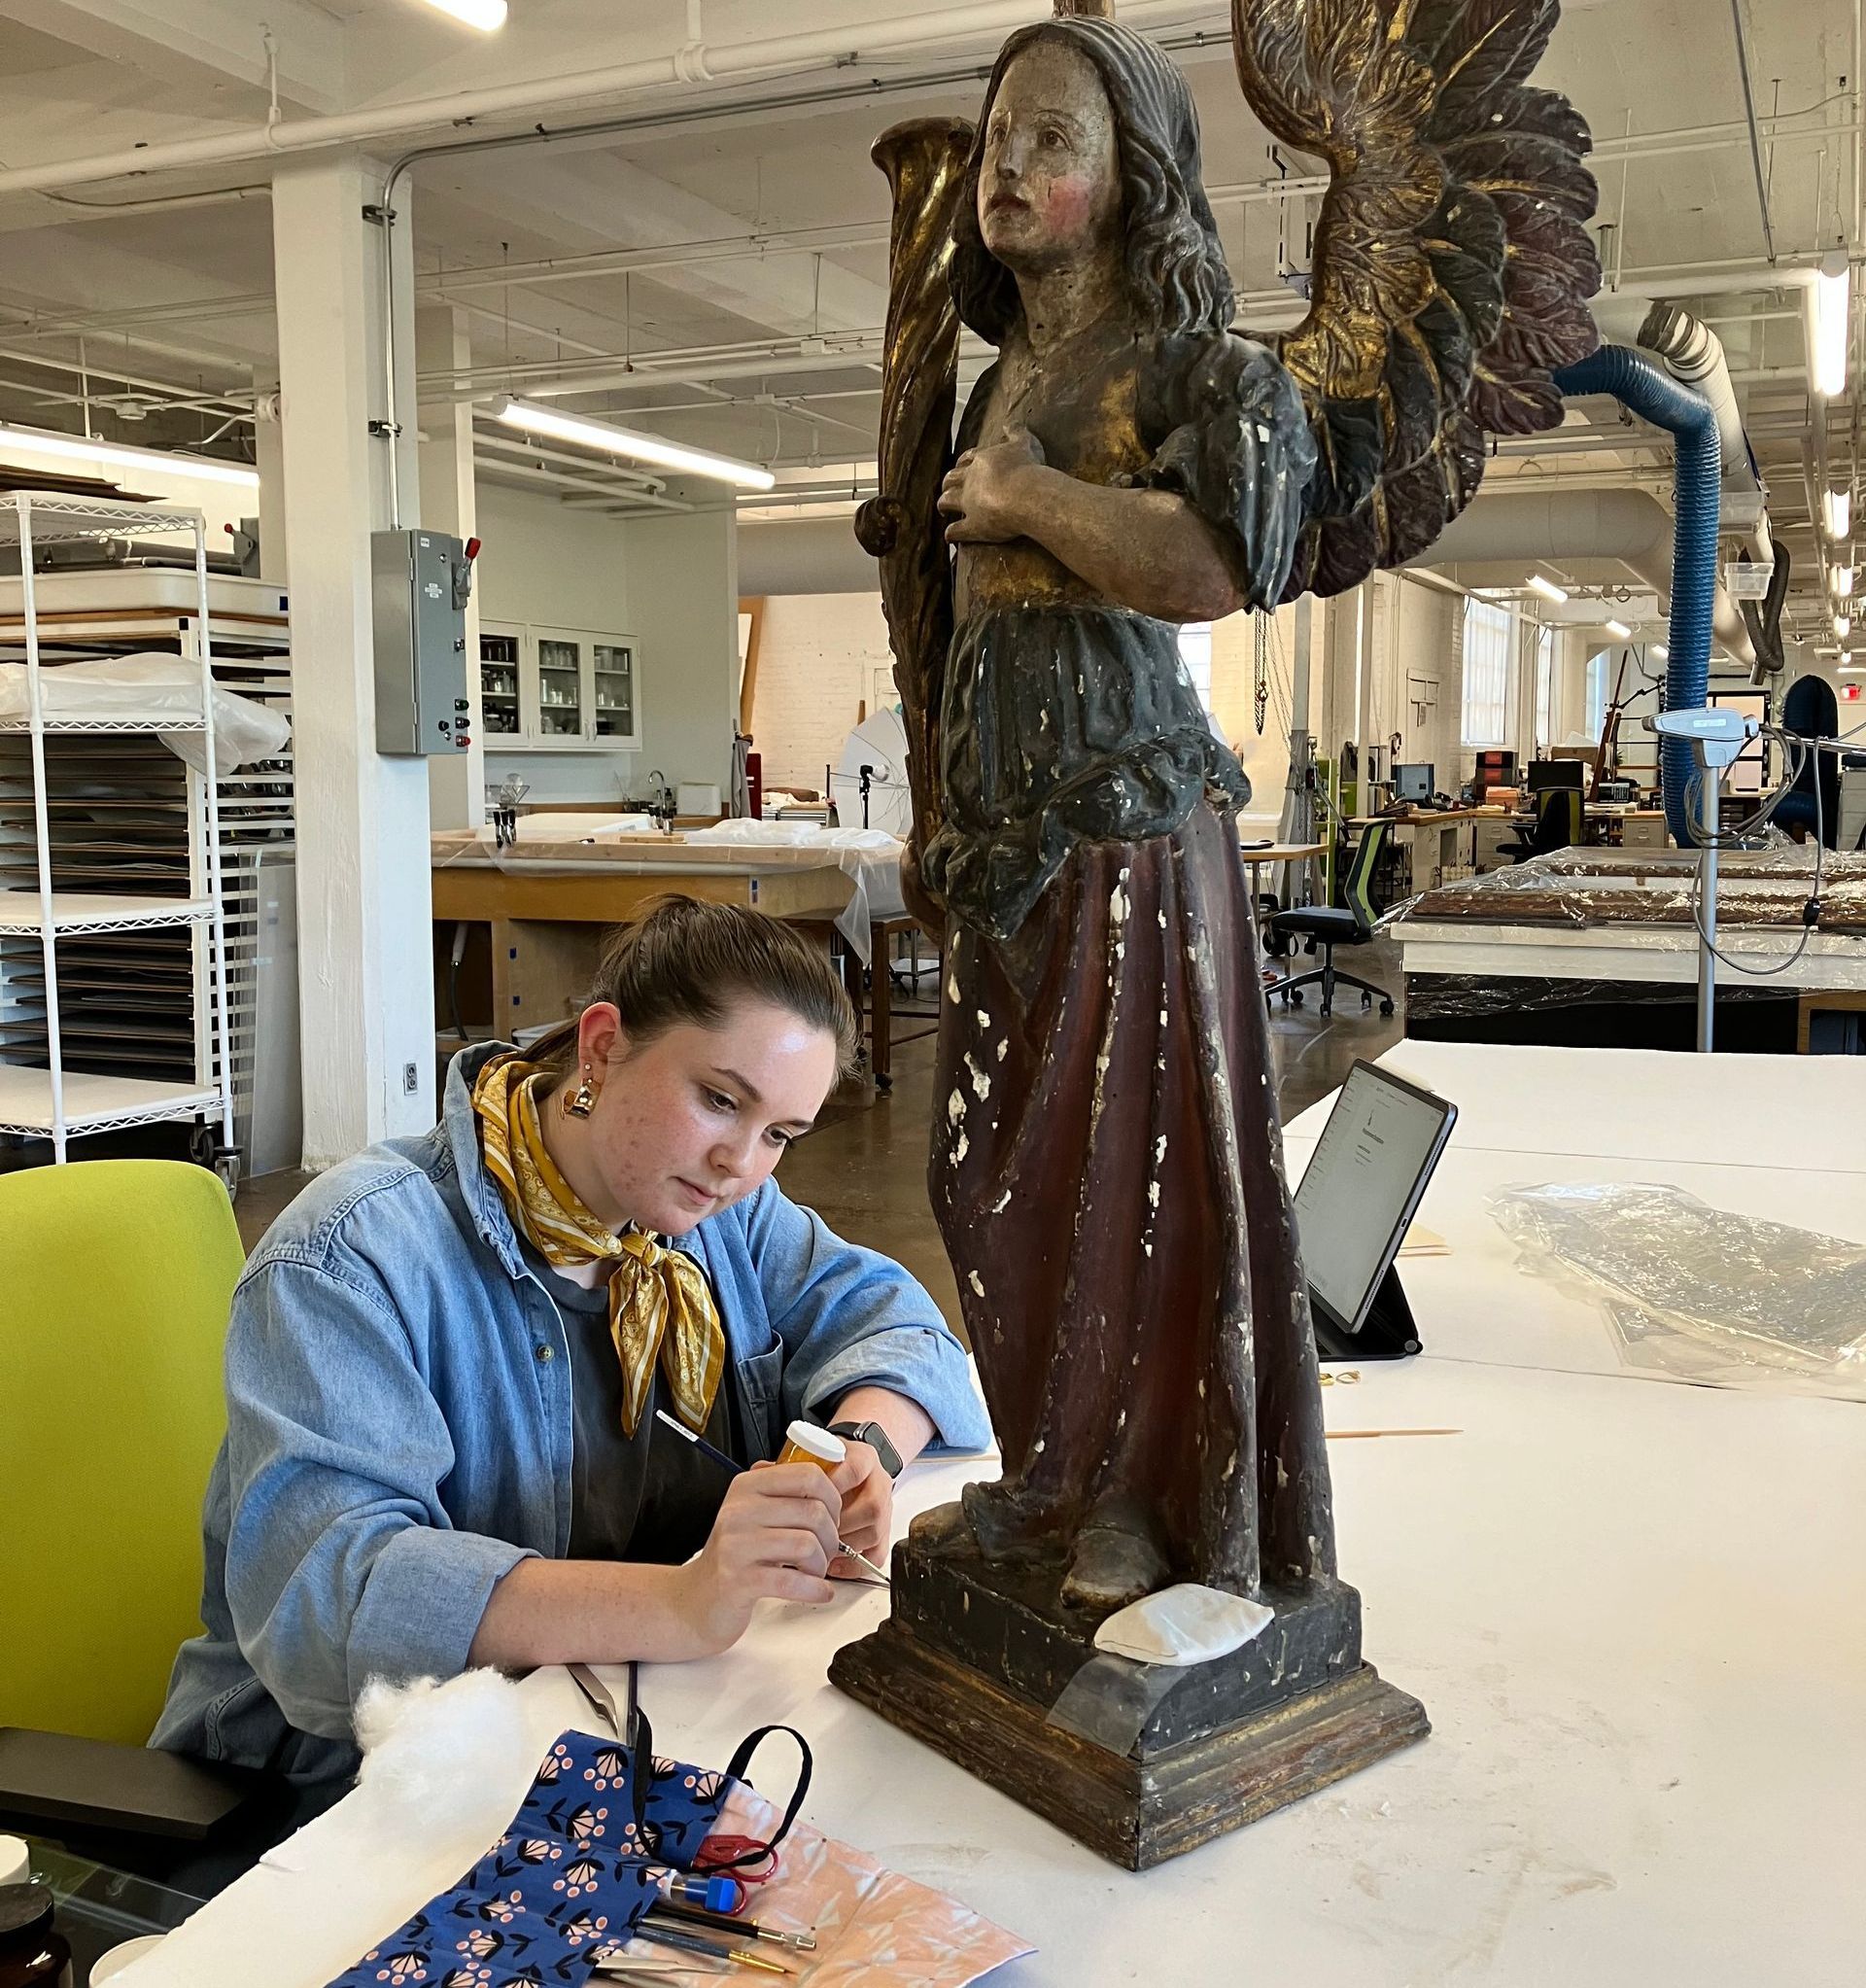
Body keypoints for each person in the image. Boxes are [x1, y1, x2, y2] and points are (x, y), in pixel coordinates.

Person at [154, 896, 988, 1804]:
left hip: (589, 1737)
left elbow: (904, 1327)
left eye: (780, 1134)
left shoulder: (721, 1218)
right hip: (332, 1799)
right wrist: (680, 1603)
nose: (740, 1163)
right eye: (718, 1099)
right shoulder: (353, 1256)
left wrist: (860, 1452)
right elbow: (333, 1603)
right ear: (599, 1048)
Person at [916, 16, 1334, 1613]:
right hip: (1003, 840)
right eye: (997, 138)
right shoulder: (994, 382)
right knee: (998, 1187)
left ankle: (1131, 1501)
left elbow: (1212, 568)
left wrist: (1023, 497)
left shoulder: (1195, 370)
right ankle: (1044, 1467)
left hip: (1124, 827)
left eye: (1050, 140)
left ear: (1136, 178)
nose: (1006, 168)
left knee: (1123, 1183)